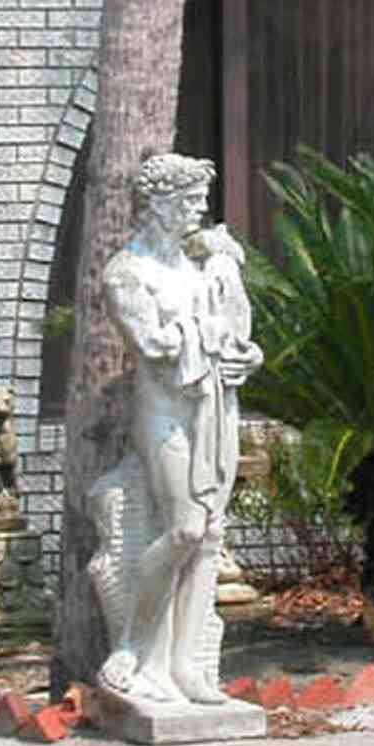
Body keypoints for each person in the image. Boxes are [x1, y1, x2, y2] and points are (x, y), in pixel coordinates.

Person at [91, 149, 261, 712]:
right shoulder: (127, 274)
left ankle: (188, 664)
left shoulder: (199, 267)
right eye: (190, 201)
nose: (198, 211)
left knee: (210, 534)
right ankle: (135, 648)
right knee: (184, 528)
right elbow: (154, 345)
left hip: (214, 406)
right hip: (165, 412)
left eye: (200, 202)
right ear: (160, 204)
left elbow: (232, 335)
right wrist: (208, 335)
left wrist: (245, 354)